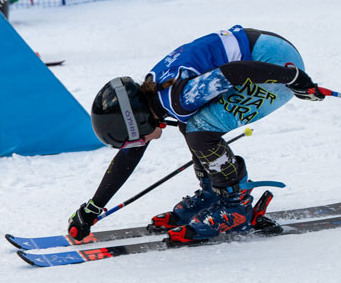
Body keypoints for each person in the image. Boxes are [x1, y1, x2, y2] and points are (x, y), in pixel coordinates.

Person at [68, 25, 325, 246]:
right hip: (266, 53)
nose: (137, 145)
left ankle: (235, 205)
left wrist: (293, 78)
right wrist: (92, 208)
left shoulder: (180, 97)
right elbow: (131, 153)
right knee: (191, 124)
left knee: (199, 129)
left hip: (273, 64)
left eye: (134, 138)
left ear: (139, 124)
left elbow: (234, 73)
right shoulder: (154, 91)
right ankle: (215, 192)